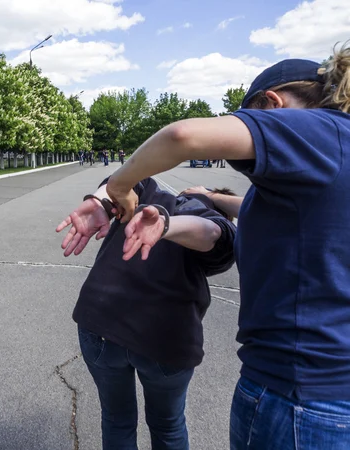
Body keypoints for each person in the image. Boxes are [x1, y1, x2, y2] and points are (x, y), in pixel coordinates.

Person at [104, 44, 350, 449]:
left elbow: (183, 136)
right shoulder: (331, 155)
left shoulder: (317, 131)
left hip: (297, 398)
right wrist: (214, 198)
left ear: (270, 104)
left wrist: (119, 186)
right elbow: (281, 213)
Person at [56, 177, 237, 450]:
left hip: (101, 324)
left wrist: (100, 201)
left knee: (117, 419)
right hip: (166, 341)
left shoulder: (148, 191)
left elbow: (123, 180)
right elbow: (215, 233)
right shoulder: (208, 216)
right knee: (168, 425)